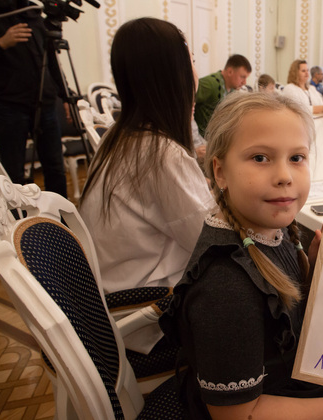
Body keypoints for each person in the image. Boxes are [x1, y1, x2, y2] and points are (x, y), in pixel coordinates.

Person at [159, 93, 323, 419]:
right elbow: (237, 415)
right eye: (260, 158)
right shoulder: (225, 288)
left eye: (297, 157)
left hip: (289, 381)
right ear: (220, 171)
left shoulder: (273, 232)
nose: (284, 175)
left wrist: (314, 271)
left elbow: (282, 320)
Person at [79, 18, 215, 299]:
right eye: (191, 61)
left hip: (114, 286)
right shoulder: (162, 153)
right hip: (148, 304)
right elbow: (211, 240)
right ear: (171, 75)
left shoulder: (117, 135)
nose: (196, 74)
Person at [0, 1, 68, 197]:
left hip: (45, 102)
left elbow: (51, 60)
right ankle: (19, 215)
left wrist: (65, 95)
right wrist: (1, 43)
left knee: (55, 166)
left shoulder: (33, 14)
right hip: (10, 104)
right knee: (14, 173)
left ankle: (61, 213)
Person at [194, 54, 252, 136]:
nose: (244, 82)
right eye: (242, 77)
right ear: (230, 72)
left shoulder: (232, 90)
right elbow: (185, 102)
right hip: (201, 139)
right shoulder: (211, 84)